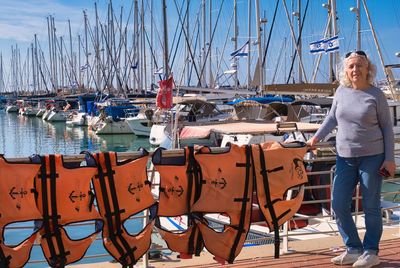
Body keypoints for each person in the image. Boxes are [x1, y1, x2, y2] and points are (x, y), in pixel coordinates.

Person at [307, 50, 395, 267]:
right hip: (344, 157)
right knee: (338, 204)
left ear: (368, 69)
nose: (355, 69)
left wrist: (390, 159)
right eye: (351, 66)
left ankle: (371, 252)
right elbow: (331, 119)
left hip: (373, 157)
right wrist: (316, 138)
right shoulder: (341, 92)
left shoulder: (376, 95)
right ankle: (354, 248)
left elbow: (387, 128)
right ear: (346, 70)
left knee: (371, 206)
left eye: (359, 65)